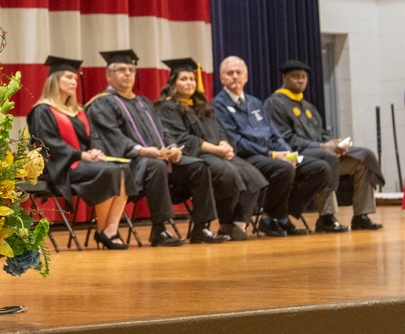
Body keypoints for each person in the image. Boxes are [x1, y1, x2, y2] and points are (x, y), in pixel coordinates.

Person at [86, 49, 228, 246]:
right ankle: (160, 230)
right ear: (109, 75)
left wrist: (172, 148)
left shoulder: (143, 102)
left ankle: (201, 228)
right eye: (121, 69)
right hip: (131, 163)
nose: (128, 74)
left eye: (131, 70)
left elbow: (163, 131)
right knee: (155, 165)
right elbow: (112, 138)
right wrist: (144, 151)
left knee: (199, 166)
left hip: (159, 159)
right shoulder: (102, 103)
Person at [27, 55, 139, 250]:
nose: (73, 82)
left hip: (82, 164)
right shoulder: (42, 111)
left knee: (123, 169)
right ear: (55, 80)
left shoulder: (78, 111)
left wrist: (94, 151)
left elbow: (92, 137)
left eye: (75, 79)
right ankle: (104, 231)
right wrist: (81, 155)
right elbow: (48, 144)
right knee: (109, 171)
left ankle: (109, 229)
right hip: (57, 167)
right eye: (68, 77)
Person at [211, 56, 330, 237]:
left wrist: (288, 152)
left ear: (246, 76)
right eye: (230, 73)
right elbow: (236, 141)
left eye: (238, 73)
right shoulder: (218, 105)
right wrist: (272, 154)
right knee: (282, 169)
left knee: (320, 168)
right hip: (247, 157)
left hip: (273, 154)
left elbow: (275, 134)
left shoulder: (255, 102)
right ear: (221, 78)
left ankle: (275, 216)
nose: (235, 76)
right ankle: (278, 219)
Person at [154, 58, 268, 241]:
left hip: (216, 153)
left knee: (254, 176)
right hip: (191, 157)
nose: (189, 83)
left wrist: (224, 143)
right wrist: (216, 149)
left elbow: (219, 130)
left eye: (191, 79)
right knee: (227, 174)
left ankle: (236, 222)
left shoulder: (202, 106)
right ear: (173, 84)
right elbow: (183, 139)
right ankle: (222, 222)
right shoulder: (168, 107)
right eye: (183, 79)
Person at [265, 61, 384, 232]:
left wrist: (335, 143)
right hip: (296, 156)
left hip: (319, 151)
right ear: (284, 78)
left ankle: (361, 216)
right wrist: (323, 146)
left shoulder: (309, 107)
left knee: (363, 156)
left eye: (304, 77)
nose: (300, 80)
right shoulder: (274, 103)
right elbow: (286, 139)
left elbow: (321, 134)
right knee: (327, 157)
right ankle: (326, 217)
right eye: (295, 76)